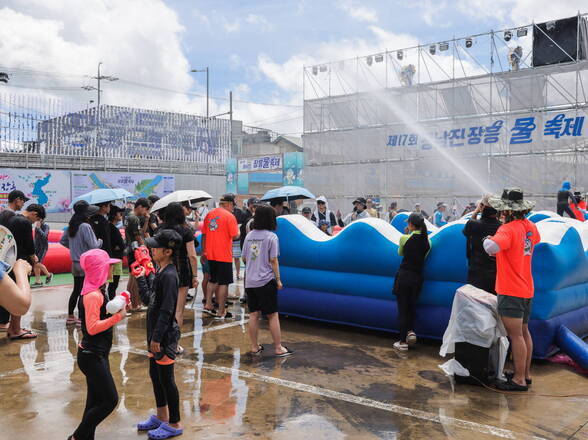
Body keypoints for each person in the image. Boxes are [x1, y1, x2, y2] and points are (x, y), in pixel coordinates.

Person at [483, 188, 540, 392]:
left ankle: (518, 380)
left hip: (510, 289)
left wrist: (486, 239)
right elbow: (533, 242)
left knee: (515, 335)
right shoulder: (531, 226)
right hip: (527, 287)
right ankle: (525, 373)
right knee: (524, 332)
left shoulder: (507, 229)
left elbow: (491, 248)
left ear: (506, 211)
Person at [68, 248, 126, 440]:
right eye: (108, 266)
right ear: (99, 269)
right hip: (92, 356)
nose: (111, 269)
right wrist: (117, 317)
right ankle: (77, 437)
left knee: (94, 401)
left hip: (96, 354)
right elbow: (92, 328)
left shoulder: (96, 289)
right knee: (110, 400)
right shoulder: (93, 295)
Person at [136, 229, 183, 438]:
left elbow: (167, 310)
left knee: (167, 380)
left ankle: (174, 423)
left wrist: (156, 339)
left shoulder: (171, 276)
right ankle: (161, 415)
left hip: (163, 336)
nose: (152, 249)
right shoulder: (159, 272)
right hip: (153, 334)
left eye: (156, 246)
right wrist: (141, 278)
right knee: (155, 376)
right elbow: (149, 301)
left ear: (168, 251)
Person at [242, 205, 292, 357]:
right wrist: (278, 279)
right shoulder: (271, 237)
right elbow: (273, 260)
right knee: (272, 315)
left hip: (250, 281)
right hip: (265, 280)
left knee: (253, 314)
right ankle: (278, 347)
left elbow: (244, 258)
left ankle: (254, 347)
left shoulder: (249, 236)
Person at [158, 202, 198, 355]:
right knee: (178, 311)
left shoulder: (160, 229)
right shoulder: (185, 230)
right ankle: (173, 345)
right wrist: (195, 275)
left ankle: (160, 341)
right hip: (181, 272)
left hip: (162, 271)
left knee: (162, 307)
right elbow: (192, 256)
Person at [0, 203, 45, 339]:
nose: (35, 222)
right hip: (20, 261)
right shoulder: (24, 222)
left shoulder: (11, 219)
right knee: (19, 296)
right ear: (34, 214)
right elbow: (29, 245)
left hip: (8, 261)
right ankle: (16, 329)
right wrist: (34, 261)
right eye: (37, 220)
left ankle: (14, 327)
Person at [393, 212, 431, 351]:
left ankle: (402, 342)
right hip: (417, 278)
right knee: (411, 307)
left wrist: (407, 234)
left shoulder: (404, 238)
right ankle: (410, 332)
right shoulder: (428, 242)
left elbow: (400, 253)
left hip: (404, 277)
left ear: (410, 225)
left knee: (402, 309)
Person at [61, 201, 102, 326]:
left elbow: (62, 241)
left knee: (76, 290)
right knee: (85, 292)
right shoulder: (85, 226)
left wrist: (74, 248)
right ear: (85, 212)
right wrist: (100, 241)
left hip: (75, 263)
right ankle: (81, 318)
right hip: (86, 264)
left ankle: (70, 316)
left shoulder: (71, 225)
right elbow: (94, 245)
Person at [202, 194, 240, 319]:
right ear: (228, 204)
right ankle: (221, 311)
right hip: (223, 254)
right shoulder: (230, 216)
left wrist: (204, 252)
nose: (233, 208)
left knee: (213, 280)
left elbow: (204, 234)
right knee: (224, 283)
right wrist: (239, 231)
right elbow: (235, 235)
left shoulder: (209, 215)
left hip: (211, 254)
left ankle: (208, 304)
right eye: (233, 205)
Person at [462, 195, 501, 294]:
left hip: (476, 272)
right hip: (496, 273)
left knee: (475, 305)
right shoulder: (502, 227)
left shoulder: (473, 224)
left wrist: (476, 211)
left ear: (482, 207)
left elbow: (469, 227)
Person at [125, 198, 151, 311]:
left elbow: (140, 232)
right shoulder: (134, 218)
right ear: (140, 206)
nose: (145, 212)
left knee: (132, 277)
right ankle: (135, 304)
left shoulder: (128, 216)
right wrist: (144, 249)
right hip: (135, 251)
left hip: (130, 250)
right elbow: (137, 236)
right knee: (136, 278)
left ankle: (129, 303)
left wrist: (146, 220)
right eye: (145, 209)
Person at [107, 206, 125, 300]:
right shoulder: (112, 229)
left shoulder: (110, 227)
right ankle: (111, 303)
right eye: (119, 213)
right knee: (113, 284)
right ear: (114, 215)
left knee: (112, 284)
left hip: (114, 258)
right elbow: (121, 245)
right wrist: (119, 246)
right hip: (115, 259)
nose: (121, 215)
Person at [32, 213, 53, 287]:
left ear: (42, 219)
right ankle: (38, 281)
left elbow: (44, 236)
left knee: (38, 263)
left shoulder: (46, 226)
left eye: (38, 219)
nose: (37, 220)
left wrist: (39, 228)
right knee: (35, 264)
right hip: (36, 247)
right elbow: (35, 237)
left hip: (43, 247)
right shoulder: (37, 227)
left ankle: (48, 274)